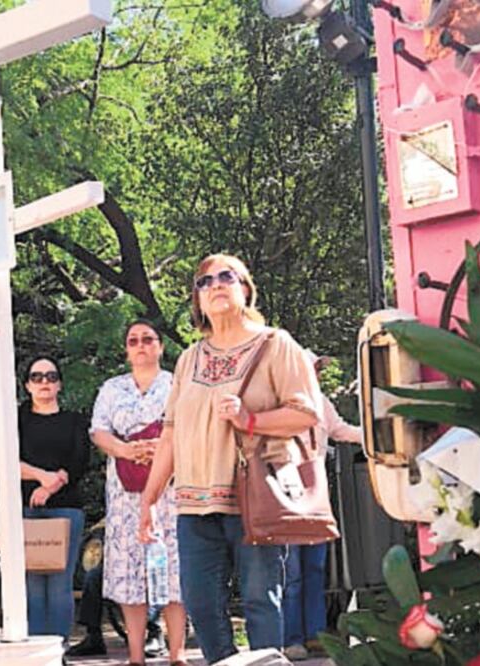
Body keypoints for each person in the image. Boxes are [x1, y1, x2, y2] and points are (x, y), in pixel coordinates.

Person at [138, 254, 323, 664]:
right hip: (193, 505)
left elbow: (307, 414)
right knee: (200, 603)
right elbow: (170, 433)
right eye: (205, 281)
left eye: (227, 276)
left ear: (245, 289)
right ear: (197, 300)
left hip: (254, 498)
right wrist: (149, 498)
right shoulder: (188, 359)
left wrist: (249, 419)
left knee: (260, 601)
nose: (216, 284)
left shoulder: (276, 344)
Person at [90, 319, 188, 666]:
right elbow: (98, 430)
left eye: (148, 339)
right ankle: (135, 657)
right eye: (133, 340)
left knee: (174, 570)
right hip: (124, 491)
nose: (141, 345)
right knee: (129, 573)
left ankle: (177, 654)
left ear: (160, 346)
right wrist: (126, 450)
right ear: (126, 350)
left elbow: (191, 427)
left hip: (169, 489)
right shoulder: (111, 388)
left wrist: (161, 449)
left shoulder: (177, 384)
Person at [282, 353, 361, 661]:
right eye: (312, 368)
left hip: (315, 497)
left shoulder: (321, 402)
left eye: (316, 368)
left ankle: (315, 636)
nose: (316, 373)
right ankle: (291, 638)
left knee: (315, 569)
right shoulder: (279, 403)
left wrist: (374, 434)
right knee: (291, 573)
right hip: (286, 497)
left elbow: (341, 430)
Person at [18, 355, 89, 643]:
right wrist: (41, 476)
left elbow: (80, 461)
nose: (44, 382)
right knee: (32, 584)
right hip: (25, 510)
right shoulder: (17, 420)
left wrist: (50, 488)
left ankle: (58, 650)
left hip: (66, 509)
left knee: (60, 583)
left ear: (59, 384)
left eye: (51, 376)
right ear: (27, 385)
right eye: (37, 377)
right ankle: (37, 653)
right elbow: (7, 461)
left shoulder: (75, 421)